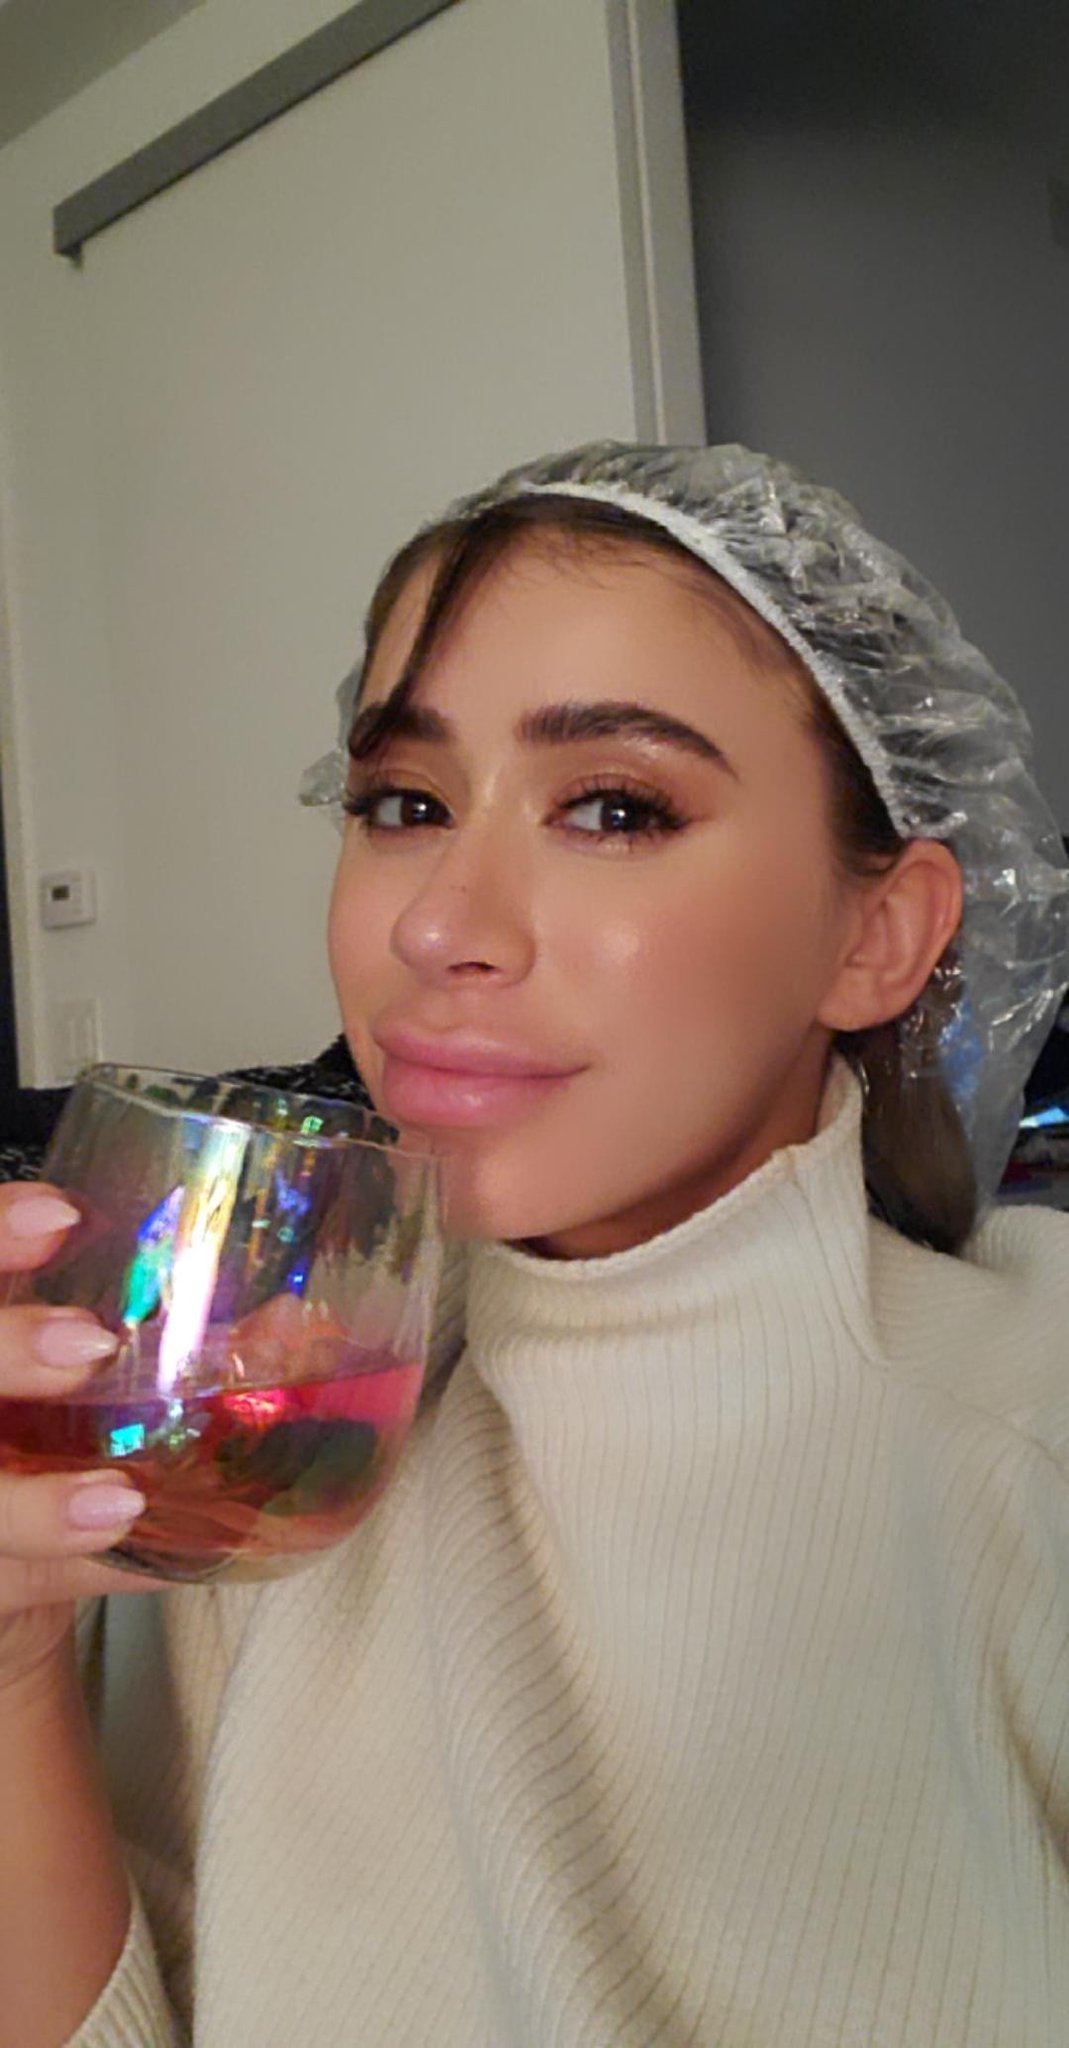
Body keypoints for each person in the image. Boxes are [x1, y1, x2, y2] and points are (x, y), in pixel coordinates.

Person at [1, 441, 1068, 2048]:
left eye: (614, 808)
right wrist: (16, 1668)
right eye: (404, 804)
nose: (433, 923)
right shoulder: (252, 1429)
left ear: (877, 935)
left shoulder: (1030, 1431)